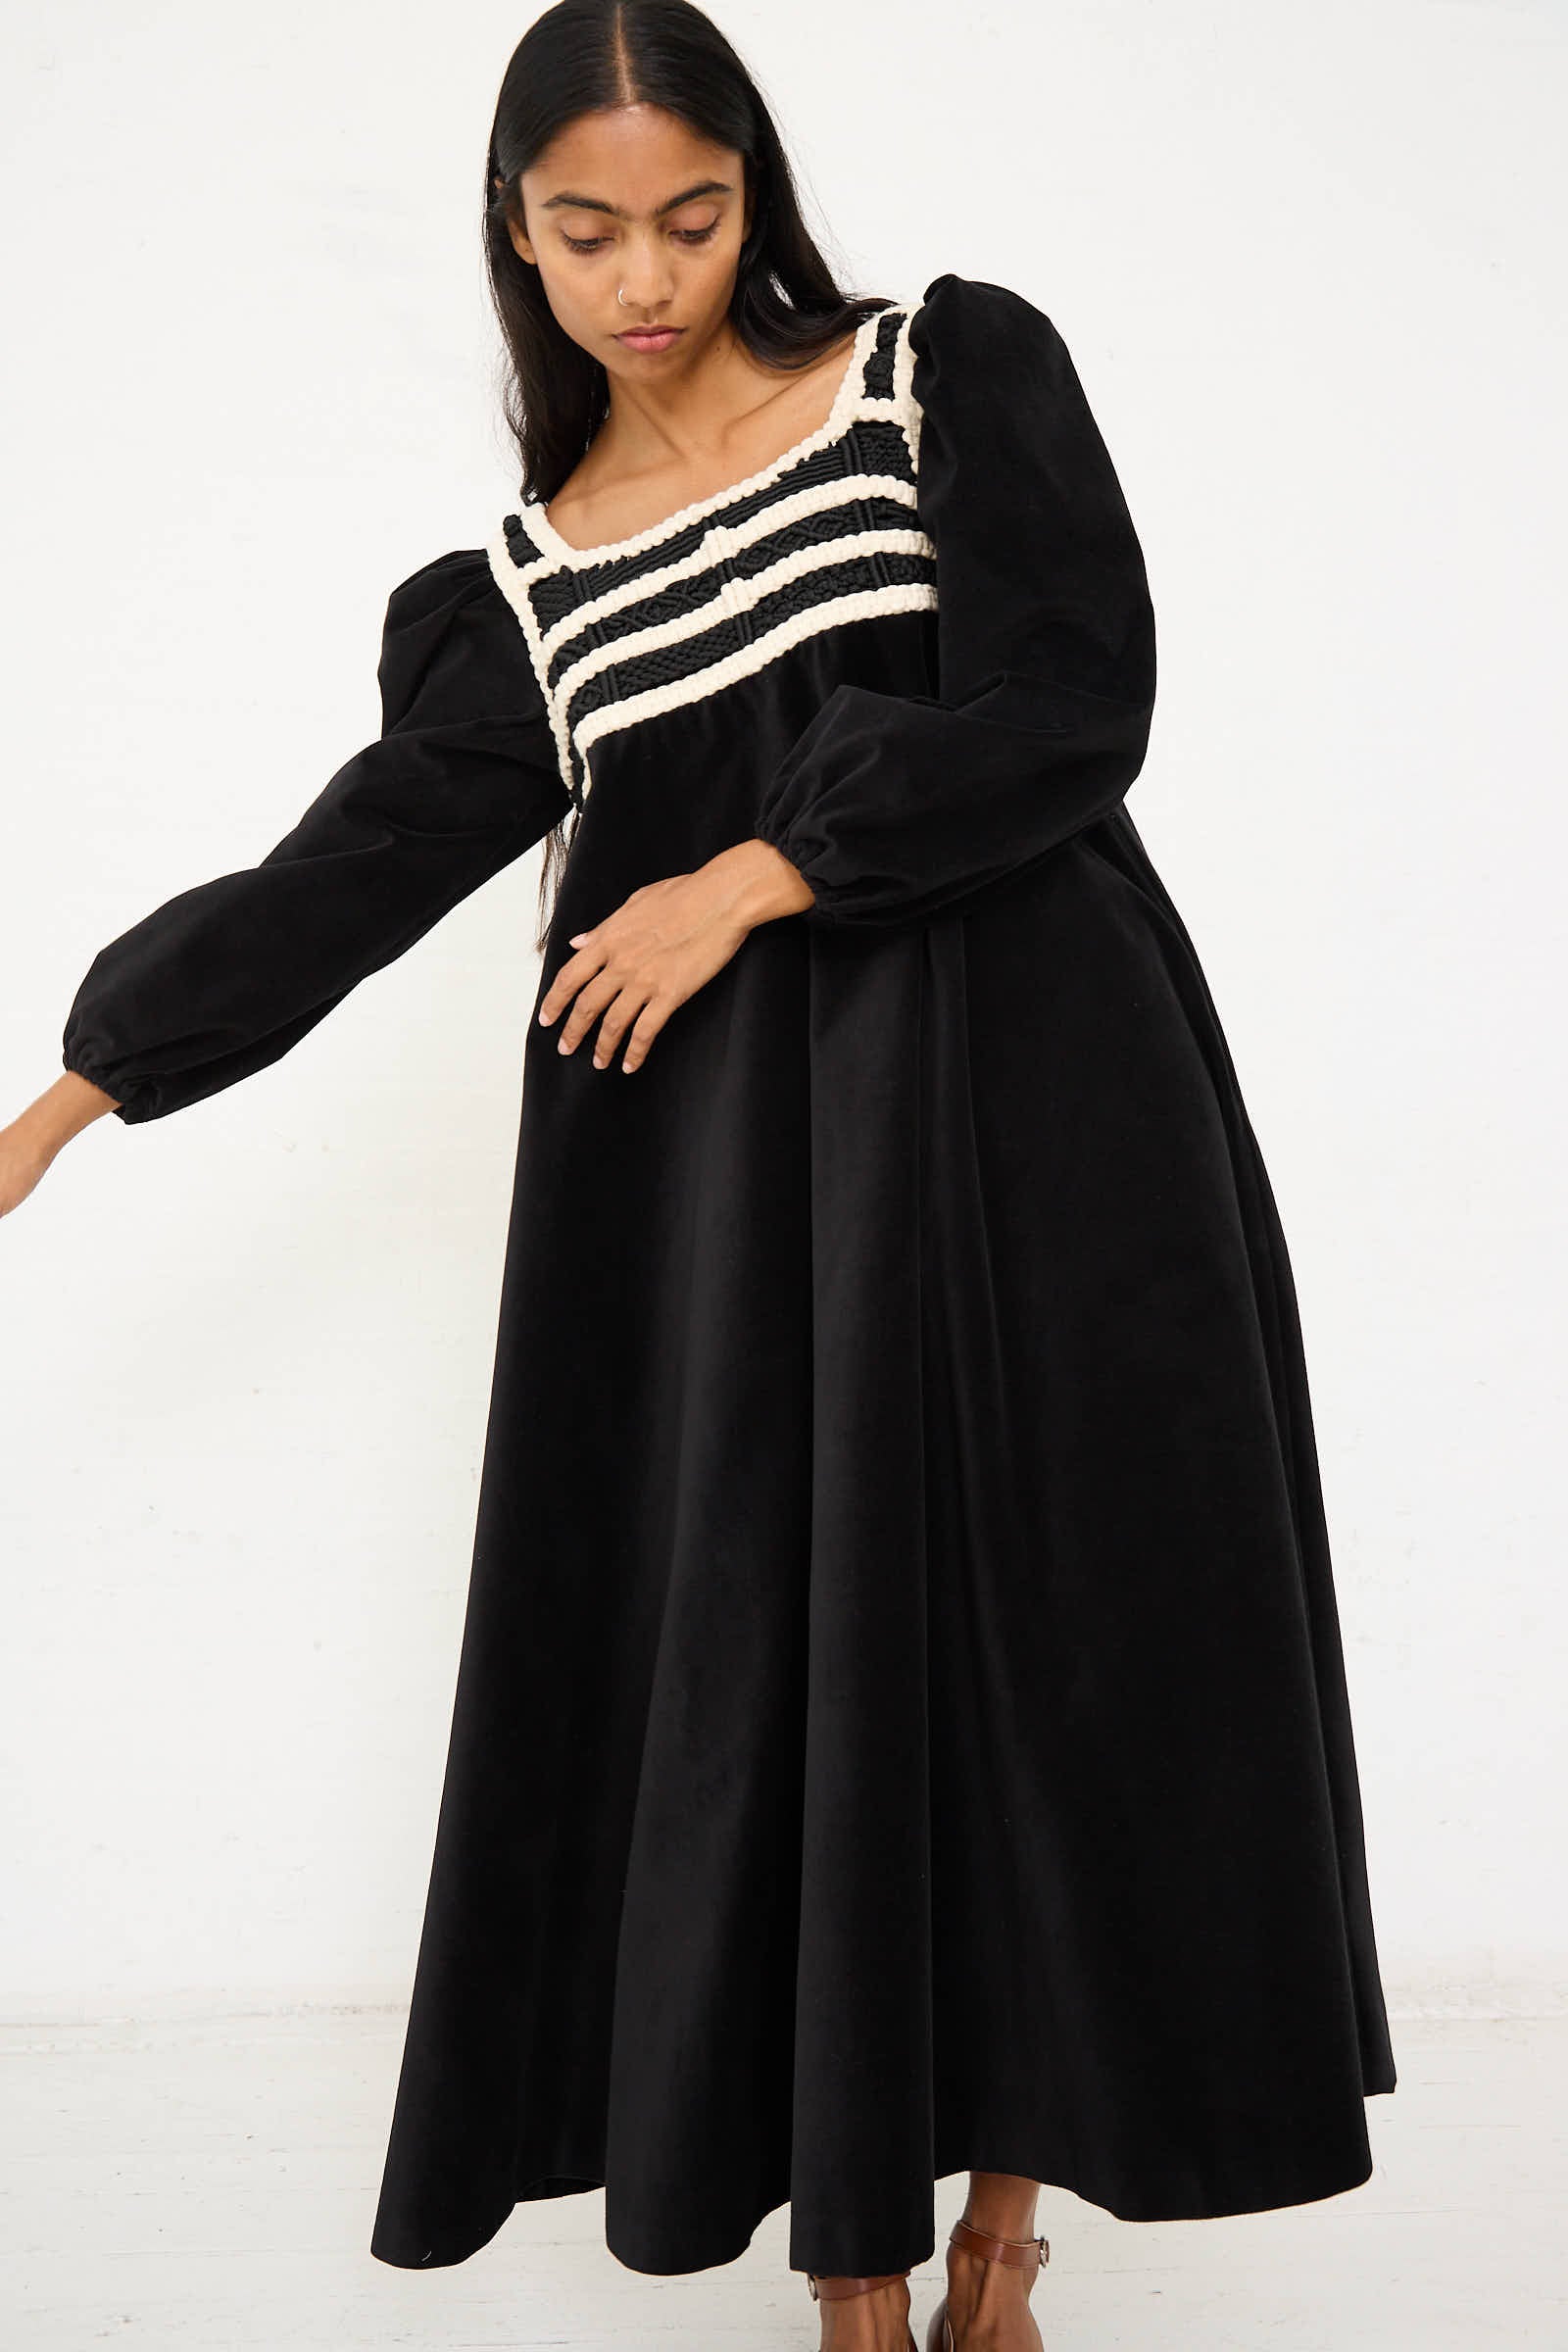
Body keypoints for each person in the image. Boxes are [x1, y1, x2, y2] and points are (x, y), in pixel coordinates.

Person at [1, 5, 1397, 2347]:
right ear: (512, 237)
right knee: (800, 1662)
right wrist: (84, 1079)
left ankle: (995, 2240)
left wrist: (747, 874)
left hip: (1046, 1106)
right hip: (730, 1207)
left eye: (691, 215)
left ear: (751, 196)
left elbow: (1073, 698)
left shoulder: (939, 377)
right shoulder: (527, 586)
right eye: (585, 231)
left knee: (1039, 1631)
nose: (643, 277)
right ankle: (858, 2282)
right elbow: (359, 859)